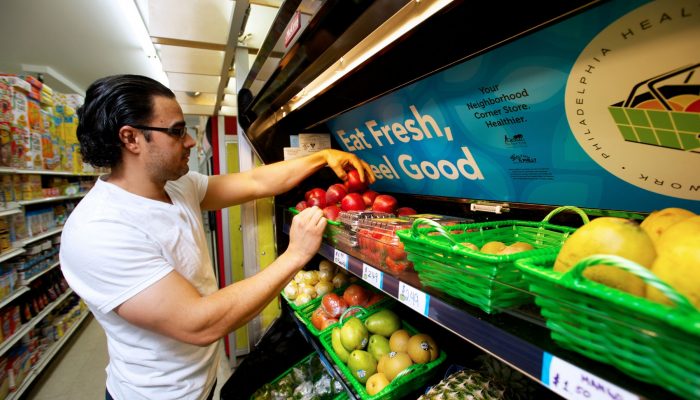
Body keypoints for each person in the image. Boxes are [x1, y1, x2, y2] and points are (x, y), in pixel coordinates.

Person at [59, 74, 375, 400]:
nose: (191, 142)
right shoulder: (99, 231)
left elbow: (255, 182)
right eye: (177, 131)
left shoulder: (177, 186)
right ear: (131, 138)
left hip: (204, 380)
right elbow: (199, 323)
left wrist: (322, 157)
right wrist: (295, 255)